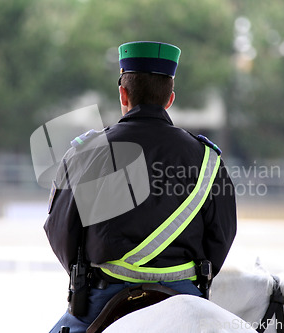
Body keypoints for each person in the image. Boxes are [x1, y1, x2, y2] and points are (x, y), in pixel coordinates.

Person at [44, 41, 237, 333]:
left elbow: (61, 234)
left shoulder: (85, 153)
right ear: (170, 98)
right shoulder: (208, 159)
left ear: (123, 93)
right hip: (186, 294)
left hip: (104, 295)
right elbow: (222, 237)